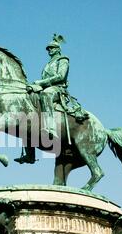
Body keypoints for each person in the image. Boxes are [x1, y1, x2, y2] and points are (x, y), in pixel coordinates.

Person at [14, 34, 88, 165]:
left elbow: (60, 76)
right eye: (48, 48)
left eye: (52, 48)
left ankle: (50, 128)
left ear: (58, 49)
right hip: (46, 87)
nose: (49, 50)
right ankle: (29, 154)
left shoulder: (63, 60)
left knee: (45, 94)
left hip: (58, 90)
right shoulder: (48, 64)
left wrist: (41, 83)